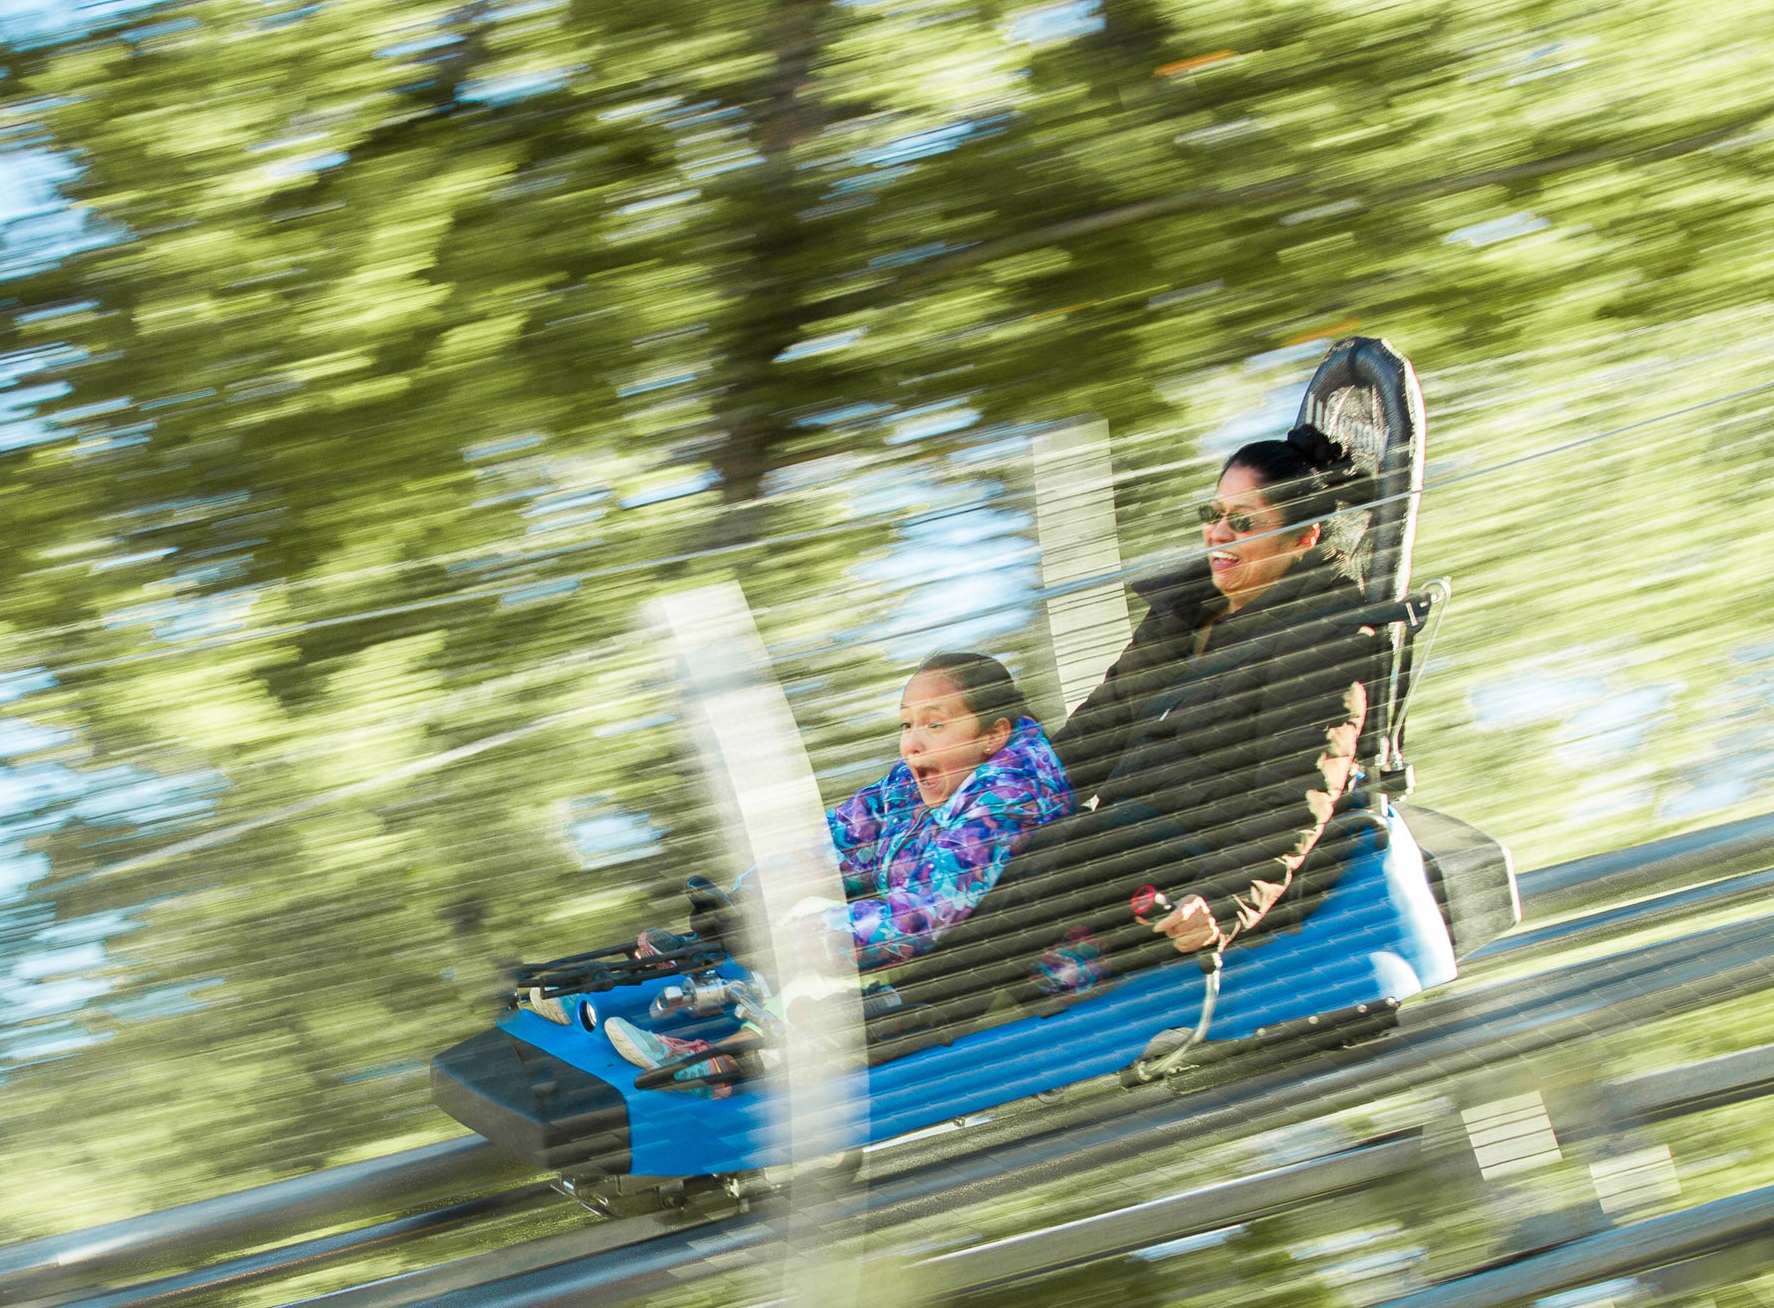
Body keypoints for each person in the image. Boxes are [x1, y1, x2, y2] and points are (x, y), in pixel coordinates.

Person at [876, 422, 1383, 1050]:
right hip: (1124, 836)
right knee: (976, 826)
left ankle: (917, 1014)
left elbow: (1295, 796)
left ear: (1304, 535)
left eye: (1244, 523)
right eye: (1213, 514)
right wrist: (986, 794)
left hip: (1192, 863)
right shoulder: (1188, 610)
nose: (1218, 536)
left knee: (1079, 845)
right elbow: (1103, 724)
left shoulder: (1325, 638)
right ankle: (838, 968)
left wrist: (1223, 904)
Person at [593, 651, 1075, 1078]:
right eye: (906, 724)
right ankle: (663, 981)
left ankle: (725, 1059)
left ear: (993, 734)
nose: (912, 743)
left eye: (935, 724)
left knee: (825, 949)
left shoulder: (1006, 798)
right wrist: (746, 902)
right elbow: (836, 845)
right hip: (947, 949)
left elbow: (922, 916)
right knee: (800, 907)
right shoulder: (922, 780)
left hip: (1016, 970)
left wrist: (792, 941)